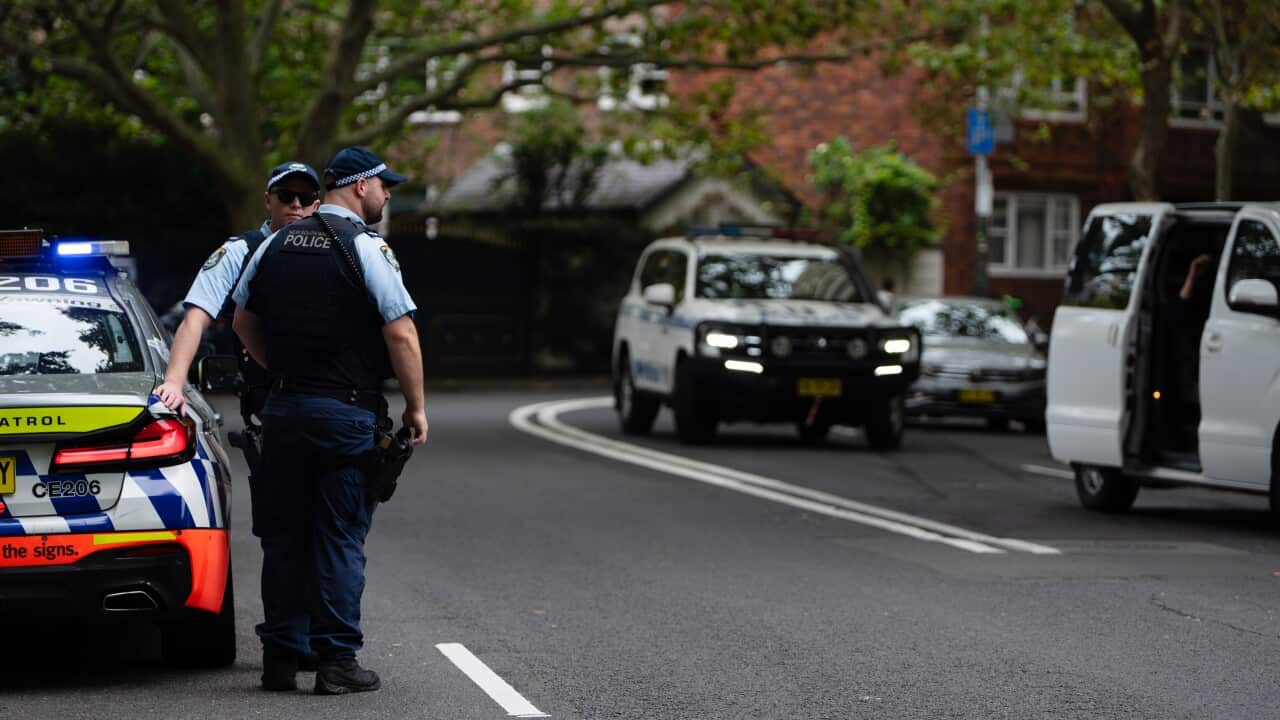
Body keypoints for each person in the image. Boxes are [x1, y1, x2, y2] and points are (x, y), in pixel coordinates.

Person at [232, 146, 428, 695]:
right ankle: (337, 664)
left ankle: (279, 660)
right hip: (345, 413)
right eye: (383, 185)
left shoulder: (273, 243)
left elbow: (243, 319)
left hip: (285, 411)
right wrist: (416, 407)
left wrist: (280, 372)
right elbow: (401, 332)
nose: (387, 194)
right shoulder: (367, 248)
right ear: (359, 186)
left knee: (285, 538)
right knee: (339, 537)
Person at [153, 161, 322, 415]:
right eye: (286, 195)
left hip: (328, 397)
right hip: (269, 401)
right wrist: (174, 383)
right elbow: (194, 319)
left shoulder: (332, 252)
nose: (296, 204)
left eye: (306, 197)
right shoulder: (240, 251)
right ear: (268, 200)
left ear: (316, 205)